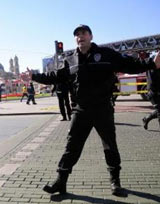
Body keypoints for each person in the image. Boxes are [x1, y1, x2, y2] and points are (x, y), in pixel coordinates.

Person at [28, 25, 160, 196]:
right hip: (81, 110)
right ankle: (61, 181)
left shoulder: (106, 54)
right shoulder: (70, 60)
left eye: (83, 33)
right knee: (72, 146)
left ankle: (115, 182)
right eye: (77, 35)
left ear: (91, 36)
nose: (80, 37)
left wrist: (151, 63)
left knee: (110, 146)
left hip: (103, 109)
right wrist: (34, 76)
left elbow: (129, 64)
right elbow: (55, 76)